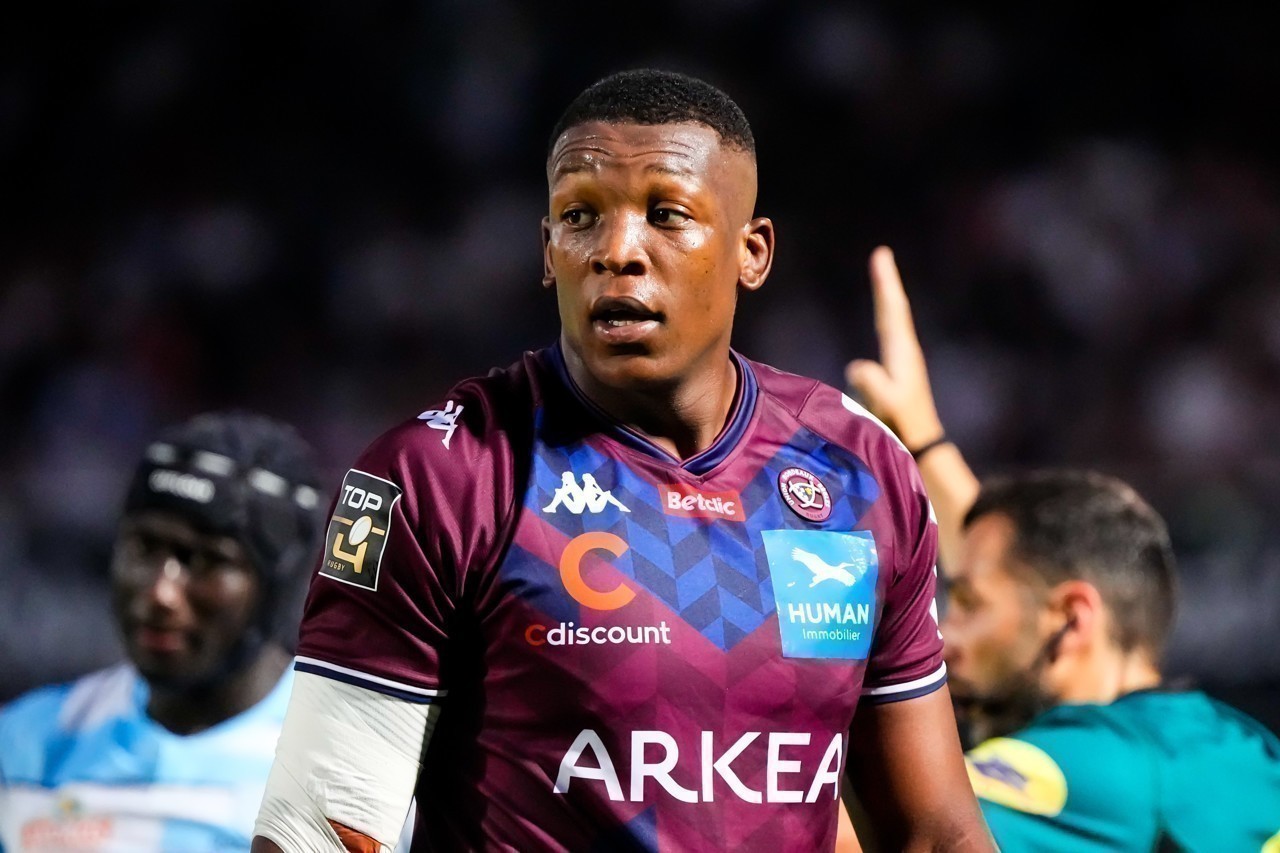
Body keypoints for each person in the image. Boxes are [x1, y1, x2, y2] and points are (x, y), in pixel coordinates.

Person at [251, 70, 990, 852]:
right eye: (580, 216)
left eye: (667, 214)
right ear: (548, 252)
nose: (616, 252)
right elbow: (313, 830)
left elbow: (935, 832)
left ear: (752, 252)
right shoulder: (442, 473)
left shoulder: (858, 469)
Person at [846, 246, 1280, 849]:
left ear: (1073, 618)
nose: (944, 636)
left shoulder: (1086, 765)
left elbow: (907, 830)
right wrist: (923, 443)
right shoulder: (1243, 746)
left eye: (968, 603)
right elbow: (1020, 567)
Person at [0, 412, 324, 852]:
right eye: (144, 547)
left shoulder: (341, 772)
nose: (161, 593)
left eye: (207, 560)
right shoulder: (27, 747)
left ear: (279, 584)